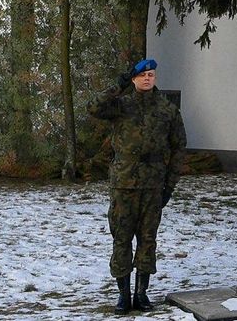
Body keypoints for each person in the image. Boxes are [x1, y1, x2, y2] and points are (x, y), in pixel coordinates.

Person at [88, 58, 187, 314]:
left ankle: (141, 293)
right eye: (142, 76)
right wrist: (116, 87)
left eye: (151, 75)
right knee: (122, 238)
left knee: (147, 240)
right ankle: (123, 294)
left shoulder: (167, 110)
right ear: (133, 79)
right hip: (124, 183)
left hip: (153, 184)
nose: (147, 79)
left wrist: (170, 185)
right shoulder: (121, 106)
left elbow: (178, 148)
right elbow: (93, 108)